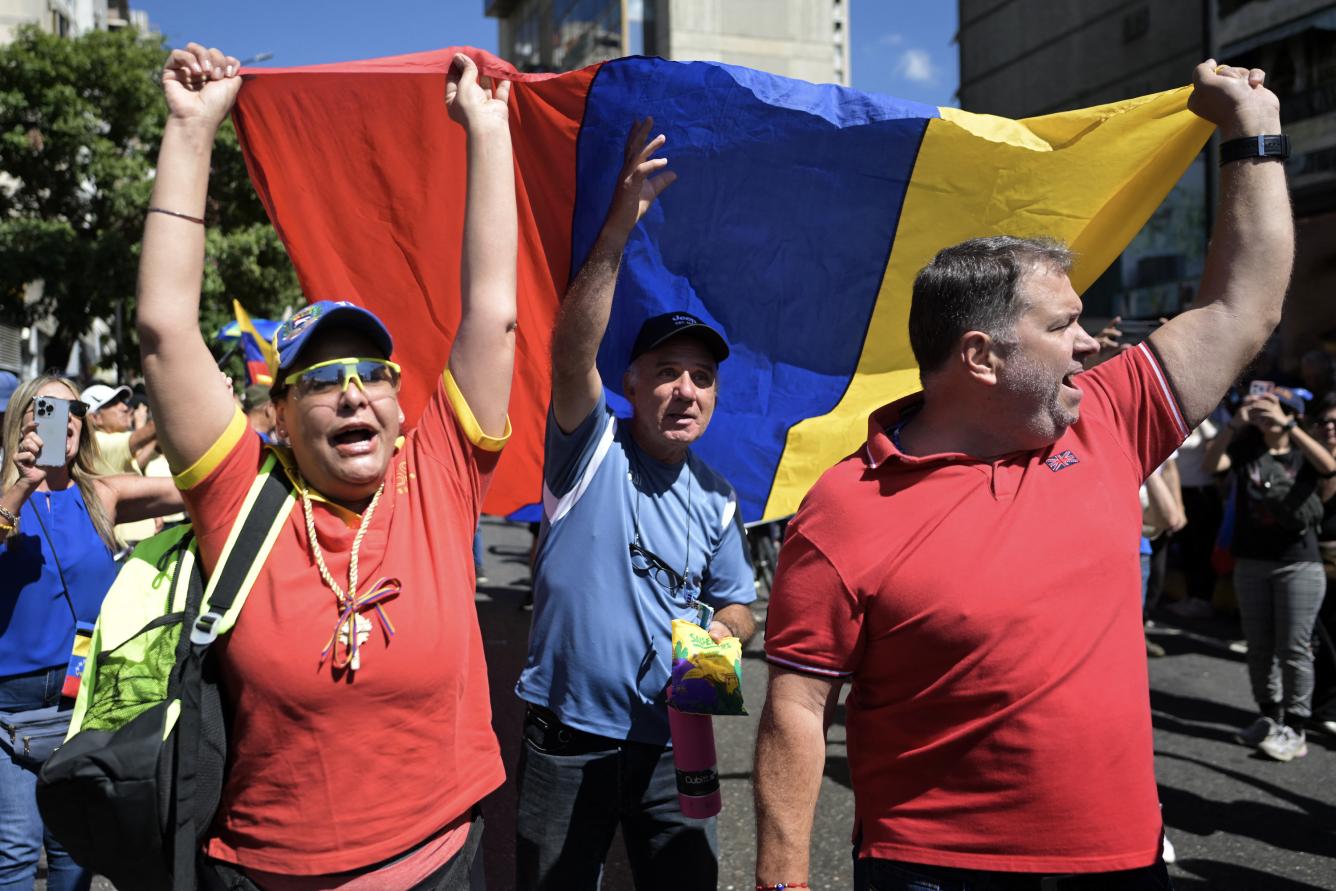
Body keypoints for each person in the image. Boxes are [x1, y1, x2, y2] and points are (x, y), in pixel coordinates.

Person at [754, 61, 1292, 890]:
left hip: (1121, 860)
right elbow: (796, 706)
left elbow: (1243, 306)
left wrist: (1251, 132)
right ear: (981, 355)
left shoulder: (1109, 417)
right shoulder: (846, 507)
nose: (1091, 344)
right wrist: (781, 880)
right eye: (1064, 324)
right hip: (930, 871)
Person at [135, 44, 516, 889]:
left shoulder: (437, 479)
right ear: (275, 415)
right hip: (266, 872)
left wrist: (487, 133)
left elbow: (492, 314)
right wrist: (193, 130)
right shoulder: (243, 492)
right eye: (321, 380)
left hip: (441, 864)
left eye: (372, 375)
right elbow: (165, 330)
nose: (353, 396)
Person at [513, 118, 756, 891]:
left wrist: (725, 631)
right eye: (667, 370)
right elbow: (570, 350)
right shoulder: (589, 449)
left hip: (676, 739)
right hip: (568, 737)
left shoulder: (719, 497)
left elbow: (741, 605)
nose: (686, 389)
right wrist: (620, 227)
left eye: (702, 377)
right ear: (633, 384)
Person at [0, 374, 184, 891]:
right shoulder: (5, 495)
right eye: (49, 408)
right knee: (14, 852)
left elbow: (198, 488)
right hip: (7, 713)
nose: (69, 418)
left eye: (76, 408)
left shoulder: (101, 493)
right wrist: (22, 483)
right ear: (23, 418)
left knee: (73, 854)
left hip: (83, 702)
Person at [1202, 386, 1334, 760]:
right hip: (1251, 562)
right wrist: (1234, 427)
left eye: (1270, 409)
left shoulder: (1301, 449)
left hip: (1299, 563)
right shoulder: (1247, 450)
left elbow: (1329, 465)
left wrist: (1289, 426)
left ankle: (1296, 726)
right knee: (1259, 646)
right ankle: (1269, 715)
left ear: (1290, 411)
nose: (1263, 415)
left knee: (1294, 648)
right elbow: (1212, 466)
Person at [79, 383, 157, 474]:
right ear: (95, 418)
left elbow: (136, 465)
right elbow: (149, 430)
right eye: (113, 403)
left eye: (121, 401)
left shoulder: (107, 441)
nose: (125, 407)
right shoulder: (95, 442)